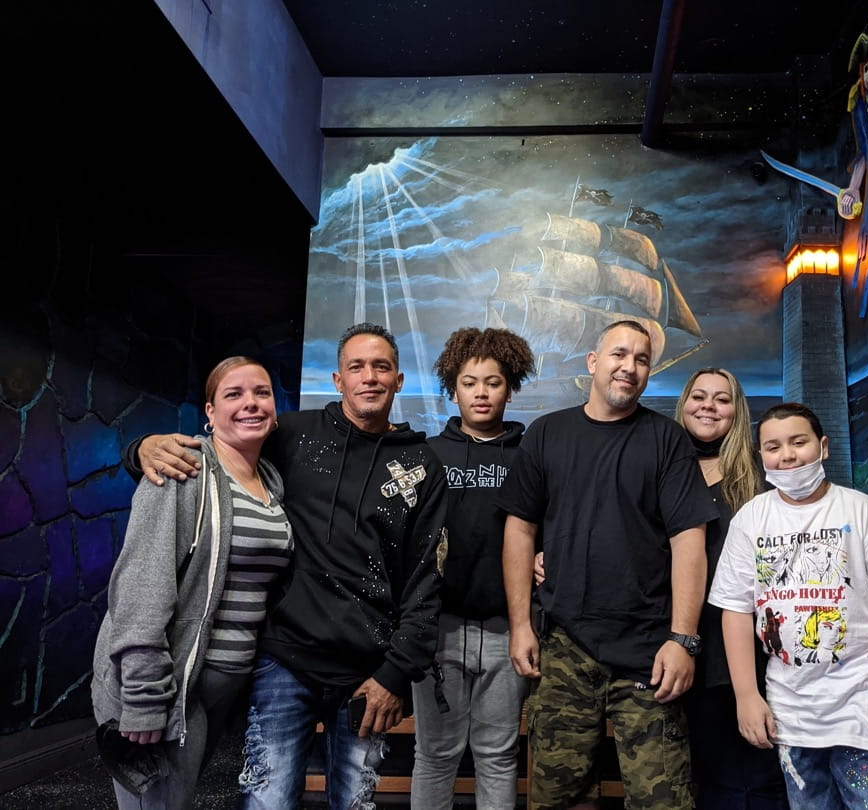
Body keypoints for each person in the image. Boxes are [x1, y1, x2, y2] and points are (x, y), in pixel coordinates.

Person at [126, 324, 448, 810]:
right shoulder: (293, 434)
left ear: (398, 380)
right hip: (283, 661)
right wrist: (141, 448)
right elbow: (222, 446)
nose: (369, 377)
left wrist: (396, 675)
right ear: (338, 380)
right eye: (356, 367)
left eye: (381, 367)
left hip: (370, 671)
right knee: (268, 800)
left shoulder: (422, 465)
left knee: (353, 803)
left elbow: (426, 582)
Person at [500, 319, 716, 810]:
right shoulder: (547, 433)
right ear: (593, 362)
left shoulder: (667, 440)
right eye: (619, 354)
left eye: (642, 359)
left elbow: (689, 539)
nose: (629, 367)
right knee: (558, 800)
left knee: (664, 802)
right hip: (563, 648)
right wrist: (520, 626)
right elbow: (519, 530)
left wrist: (683, 639)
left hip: (649, 650)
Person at [709, 403, 868, 810]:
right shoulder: (750, 520)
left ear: (823, 446)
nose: (787, 455)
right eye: (773, 447)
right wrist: (746, 695)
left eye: (799, 442)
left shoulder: (865, 513)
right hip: (791, 718)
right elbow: (736, 610)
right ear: (761, 455)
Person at [93, 357, 292, 809]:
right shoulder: (183, 470)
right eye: (234, 394)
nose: (250, 403)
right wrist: (144, 696)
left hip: (221, 686)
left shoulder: (270, 482)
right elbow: (142, 585)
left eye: (261, 392)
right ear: (210, 411)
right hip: (168, 685)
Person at [410, 326, 535, 810]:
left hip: (508, 629)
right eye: (469, 382)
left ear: (510, 388)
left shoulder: (529, 457)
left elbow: (546, 526)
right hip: (439, 629)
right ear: (453, 389)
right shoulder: (428, 455)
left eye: (493, 382)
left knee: (498, 755)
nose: (481, 393)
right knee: (435, 754)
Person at [674, 369, 788, 809]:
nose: (709, 406)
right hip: (677, 641)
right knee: (704, 773)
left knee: (758, 773)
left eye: (722, 399)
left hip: (745, 647)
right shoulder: (663, 468)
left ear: (737, 411)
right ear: (684, 403)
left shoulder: (761, 477)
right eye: (699, 396)